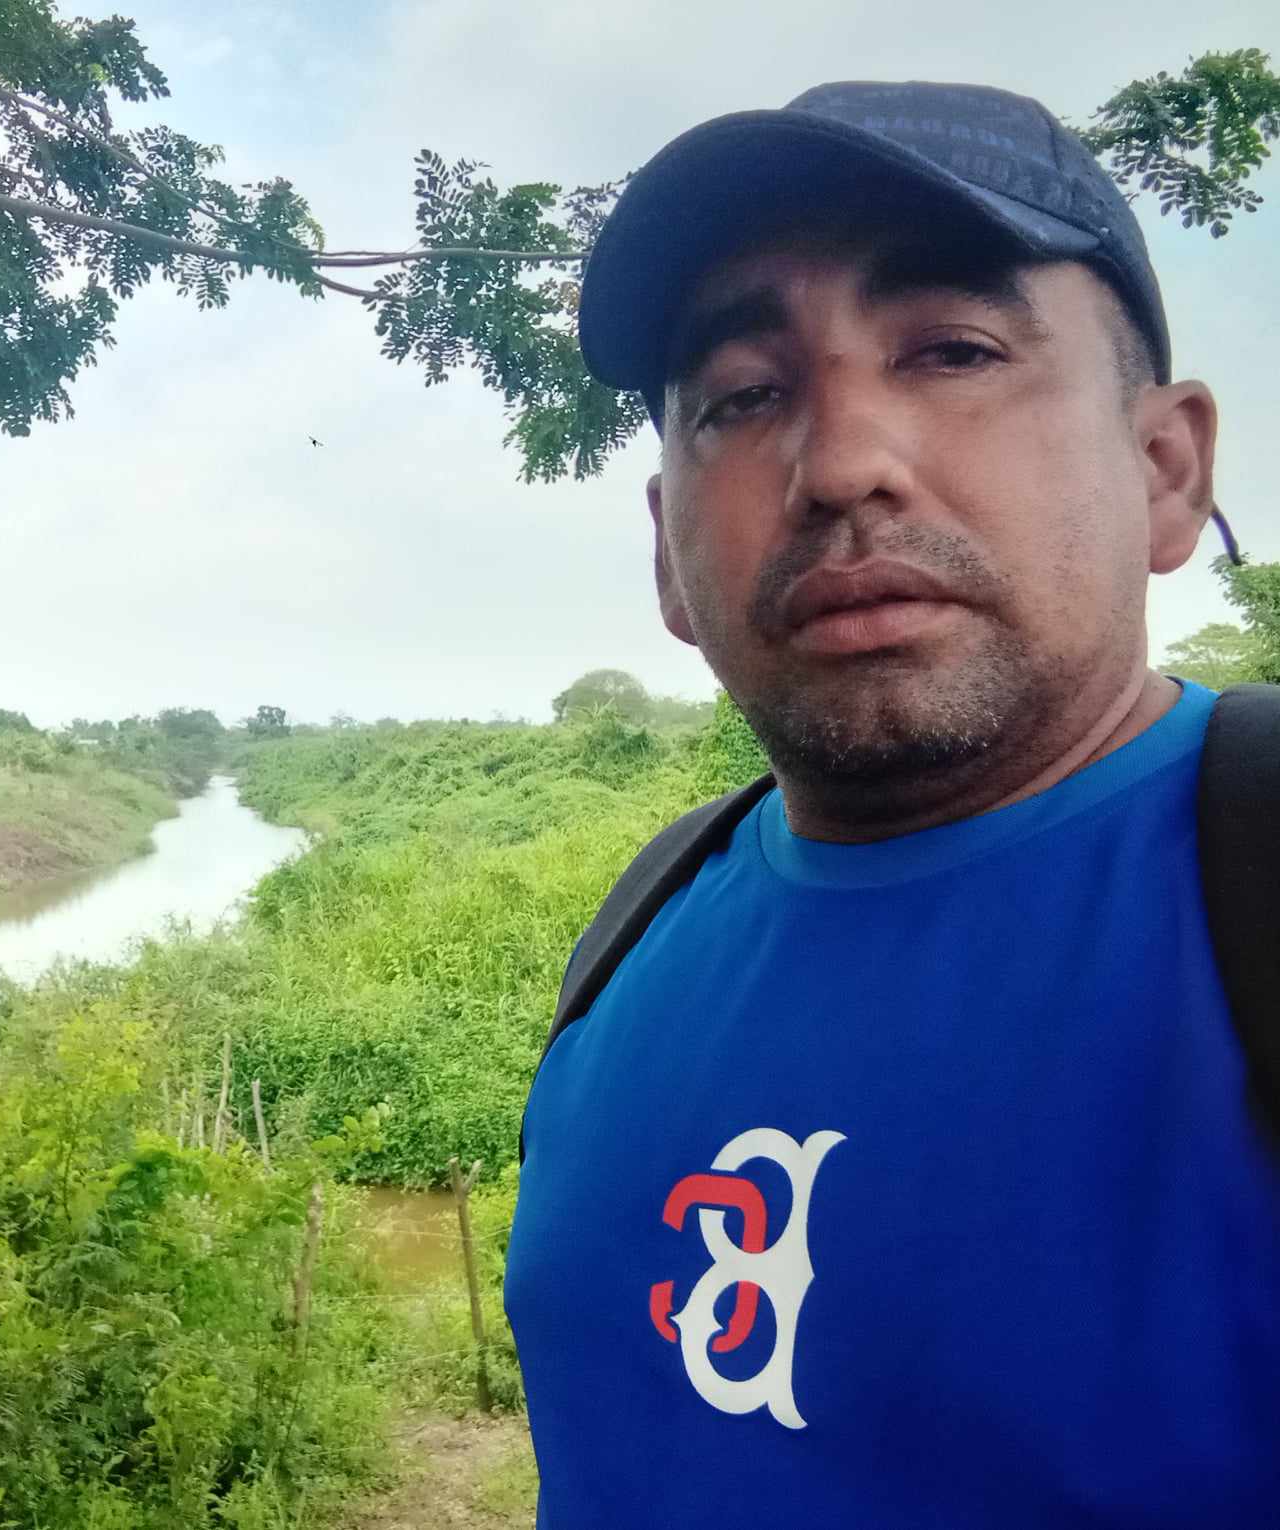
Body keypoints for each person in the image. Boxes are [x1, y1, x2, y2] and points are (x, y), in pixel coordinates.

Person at [502, 81, 1280, 1527]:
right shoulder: (637, 934)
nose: (843, 463)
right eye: (743, 395)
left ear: (1166, 470)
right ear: (667, 556)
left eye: (954, 350)